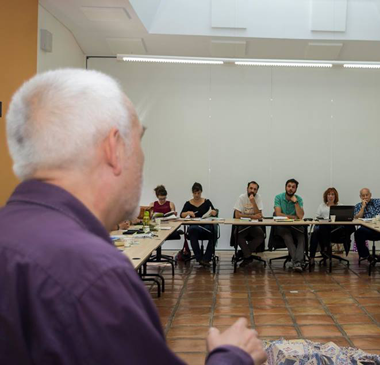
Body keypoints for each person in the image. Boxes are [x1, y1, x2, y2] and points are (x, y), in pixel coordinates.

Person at [0, 69, 265, 365]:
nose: (142, 157)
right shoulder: (93, 273)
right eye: (139, 141)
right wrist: (232, 356)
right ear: (114, 149)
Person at [309, 188, 355, 265]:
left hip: (337, 230)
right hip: (324, 229)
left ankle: (325, 249)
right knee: (316, 232)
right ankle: (312, 257)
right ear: (326, 196)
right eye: (329, 194)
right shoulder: (322, 206)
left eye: (332, 194)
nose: (330, 196)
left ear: (335, 196)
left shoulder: (340, 206)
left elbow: (345, 218)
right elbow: (316, 217)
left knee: (318, 231)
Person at [353, 188, 380, 264]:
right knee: (358, 233)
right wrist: (363, 207)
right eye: (363, 195)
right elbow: (358, 217)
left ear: (370, 195)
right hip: (367, 230)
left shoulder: (379, 201)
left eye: (367, 195)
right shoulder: (358, 206)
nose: (365, 197)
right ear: (360, 197)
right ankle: (367, 256)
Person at [180, 182, 219, 267]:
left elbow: (215, 213)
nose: (197, 195)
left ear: (201, 192)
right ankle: (199, 257)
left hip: (206, 226)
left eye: (198, 193)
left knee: (214, 231)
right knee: (192, 230)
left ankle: (206, 258)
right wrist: (188, 212)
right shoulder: (188, 203)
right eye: (195, 193)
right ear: (192, 193)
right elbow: (181, 215)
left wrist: (213, 212)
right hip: (195, 227)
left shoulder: (207, 202)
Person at [274, 178, 306, 272]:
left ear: (296, 189)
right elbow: (278, 214)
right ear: (285, 187)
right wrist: (293, 217)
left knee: (301, 236)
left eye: (293, 187)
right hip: (282, 226)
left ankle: (297, 262)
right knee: (287, 236)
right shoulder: (278, 197)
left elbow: (300, 216)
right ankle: (298, 262)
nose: (290, 189)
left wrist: (295, 203)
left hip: (295, 226)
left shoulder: (298, 199)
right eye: (289, 186)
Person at [234, 181, 265, 267]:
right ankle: (247, 256)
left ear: (257, 191)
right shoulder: (242, 197)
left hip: (253, 226)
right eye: (251, 188)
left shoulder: (258, 198)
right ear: (247, 189)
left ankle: (244, 252)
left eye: (255, 189)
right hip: (243, 225)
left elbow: (259, 215)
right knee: (237, 234)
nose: (252, 191)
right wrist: (252, 216)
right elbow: (237, 215)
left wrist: (253, 202)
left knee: (261, 236)